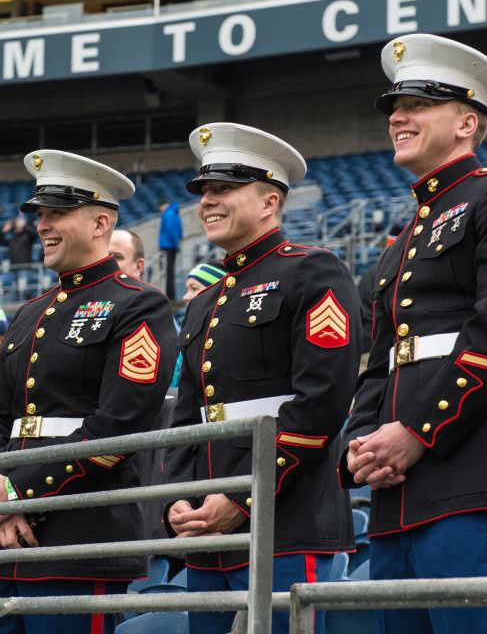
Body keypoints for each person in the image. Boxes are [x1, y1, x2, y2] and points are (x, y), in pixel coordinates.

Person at [339, 33, 487, 634]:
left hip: (471, 470)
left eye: (416, 105)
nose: (397, 117)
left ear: (467, 122)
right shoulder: (402, 242)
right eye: (393, 107)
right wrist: (360, 445)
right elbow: (376, 362)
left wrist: (417, 429)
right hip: (396, 490)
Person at [163, 123, 361, 634]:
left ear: (270, 201)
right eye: (205, 190)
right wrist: (178, 503)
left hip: (286, 520)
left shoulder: (313, 271)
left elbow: (322, 401)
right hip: (208, 529)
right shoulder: (205, 300)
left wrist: (244, 496)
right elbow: (187, 417)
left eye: (224, 189)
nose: (208, 200)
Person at [0, 149, 177, 634]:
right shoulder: (29, 313)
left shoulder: (139, 305)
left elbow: (117, 426)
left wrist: (18, 492)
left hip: (79, 534)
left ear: (101, 221)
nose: (43, 224)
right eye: (40, 214)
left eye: (57, 212)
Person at [158, 200, 183, 300]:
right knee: (170, 272)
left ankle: (169, 296)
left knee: (168, 273)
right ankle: (171, 295)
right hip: (172, 245)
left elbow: (170, 231)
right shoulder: (175, 214)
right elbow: (179, 231)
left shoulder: (168, 214)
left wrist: (174, 243)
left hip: (168, 246)